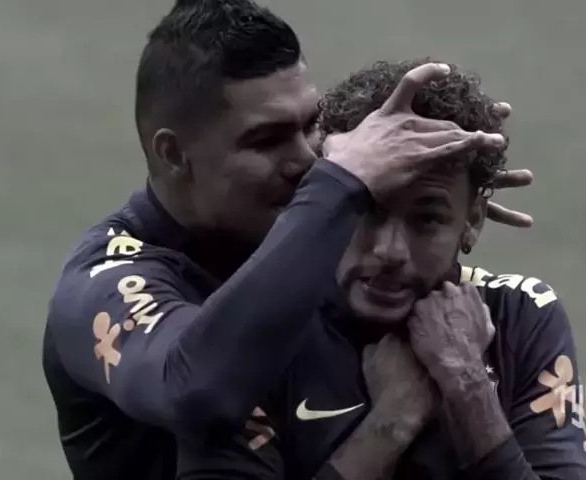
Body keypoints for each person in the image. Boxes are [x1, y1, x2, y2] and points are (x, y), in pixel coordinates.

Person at [43, 1, 530, 478]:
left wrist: (435, 195)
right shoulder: (101, 284)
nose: (308, 160)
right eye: (266, 140)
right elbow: (197, 392)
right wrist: (338, 188)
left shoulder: (300, 233)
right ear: (173, 154)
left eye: (310, 125)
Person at [174, 60, 586, 480]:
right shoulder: (250, 335)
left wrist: (467, 385)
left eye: (426, 219)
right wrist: (390, 424)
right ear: (330, 199)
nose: (390, 251)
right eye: (368, 208)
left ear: (473, 220)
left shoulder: (520, 315)